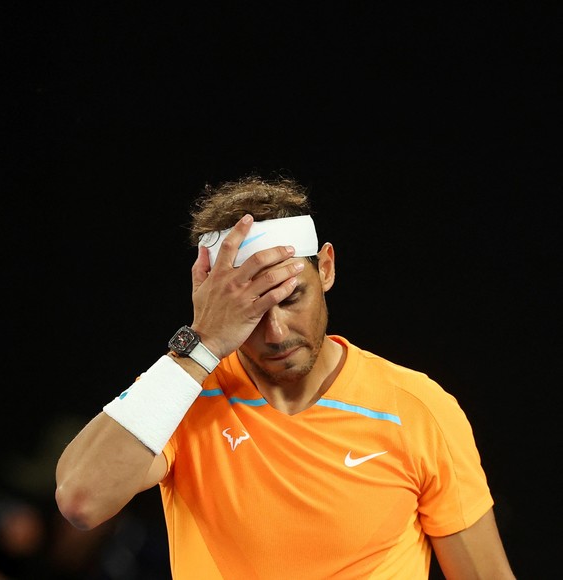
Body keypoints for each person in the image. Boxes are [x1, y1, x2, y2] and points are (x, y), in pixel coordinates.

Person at [54, 174, 515, 579]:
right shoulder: (179, 396)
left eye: (292, 298)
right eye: (249, 312)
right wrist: (202, 343)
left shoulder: (417, 407)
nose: (276, 333)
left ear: (327, 268)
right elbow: (80, 501)